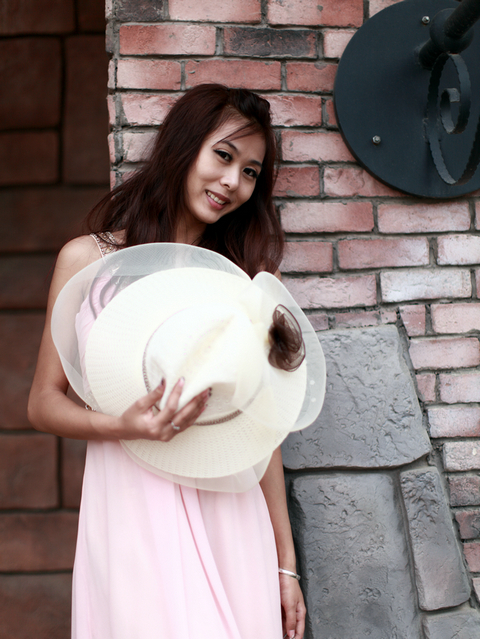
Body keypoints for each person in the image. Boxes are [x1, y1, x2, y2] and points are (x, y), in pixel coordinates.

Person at [28, 84, 307, 639]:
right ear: (183, 147)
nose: (232, 181)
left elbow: (264, 433)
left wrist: (286, 565)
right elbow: (42, 403)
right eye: (223, 156)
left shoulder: (245, 281)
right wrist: (122, 426)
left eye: (250, 172)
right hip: (131, 507)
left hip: (229, 511)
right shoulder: (87, 261)